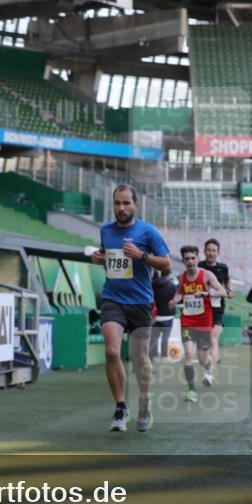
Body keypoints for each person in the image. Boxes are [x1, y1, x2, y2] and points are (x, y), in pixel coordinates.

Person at [91, 184, 171, 433]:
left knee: (139, 358)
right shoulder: (106, 230)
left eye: (126, 203)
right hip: (113, 299)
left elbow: (167, 265)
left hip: (140, 303)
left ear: (136, 205)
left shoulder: (148, 232)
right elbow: (109, 258)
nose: (121, 208)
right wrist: (99, 257)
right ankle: (121, 406)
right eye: (117, 203)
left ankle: (144, 403)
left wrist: (141, 256)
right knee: (113, 352)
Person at [171, 245, 228, 402]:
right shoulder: (181, 276)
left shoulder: (206, 275)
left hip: (204, 321)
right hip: (187, 321)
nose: (190, 261)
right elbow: (180, 292)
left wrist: (206, 293)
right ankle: (191, 391)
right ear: (182, 260)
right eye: (186, 259)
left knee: (202, 359)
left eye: (192, 258)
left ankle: (209, 366)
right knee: (188, 353)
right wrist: (174, 301)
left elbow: (222, 292)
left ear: (197, 258)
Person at [198, 239, 232, 366]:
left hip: (218, 307)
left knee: (213, 337)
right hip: (202, 307)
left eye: (214, 251)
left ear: (218, 252)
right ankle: (212, 357)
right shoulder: (199, 266)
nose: (211, 253)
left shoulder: (223, 267)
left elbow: (228, 280)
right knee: (205, 339)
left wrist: (229, 290)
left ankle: (211, 368)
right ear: (204, 251)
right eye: (208, 250)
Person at [149, 268, 176, 362]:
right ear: (169, 272)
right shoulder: (172, 285)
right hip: (168, 316)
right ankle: (164, 356)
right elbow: (176, 299)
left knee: (154, 337)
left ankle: (153, 356)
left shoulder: (152, 284)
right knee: (165, 337)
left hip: (155, 315)